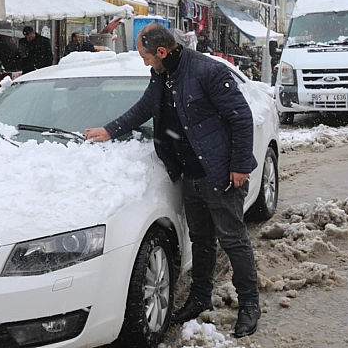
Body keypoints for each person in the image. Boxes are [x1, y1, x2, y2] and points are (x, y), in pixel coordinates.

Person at [85, 23, 261, 337]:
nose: (145, 62)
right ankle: (200, 297)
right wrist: (110, 130)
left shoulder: (208, 72)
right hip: (190, 175)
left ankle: (249, 304)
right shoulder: (162, 74)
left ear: (163, 52)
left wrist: (239, 165)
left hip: (219, 173)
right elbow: (144, 108)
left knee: (233, 241)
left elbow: (241, 117)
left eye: (146, 56)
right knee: (201, 240)